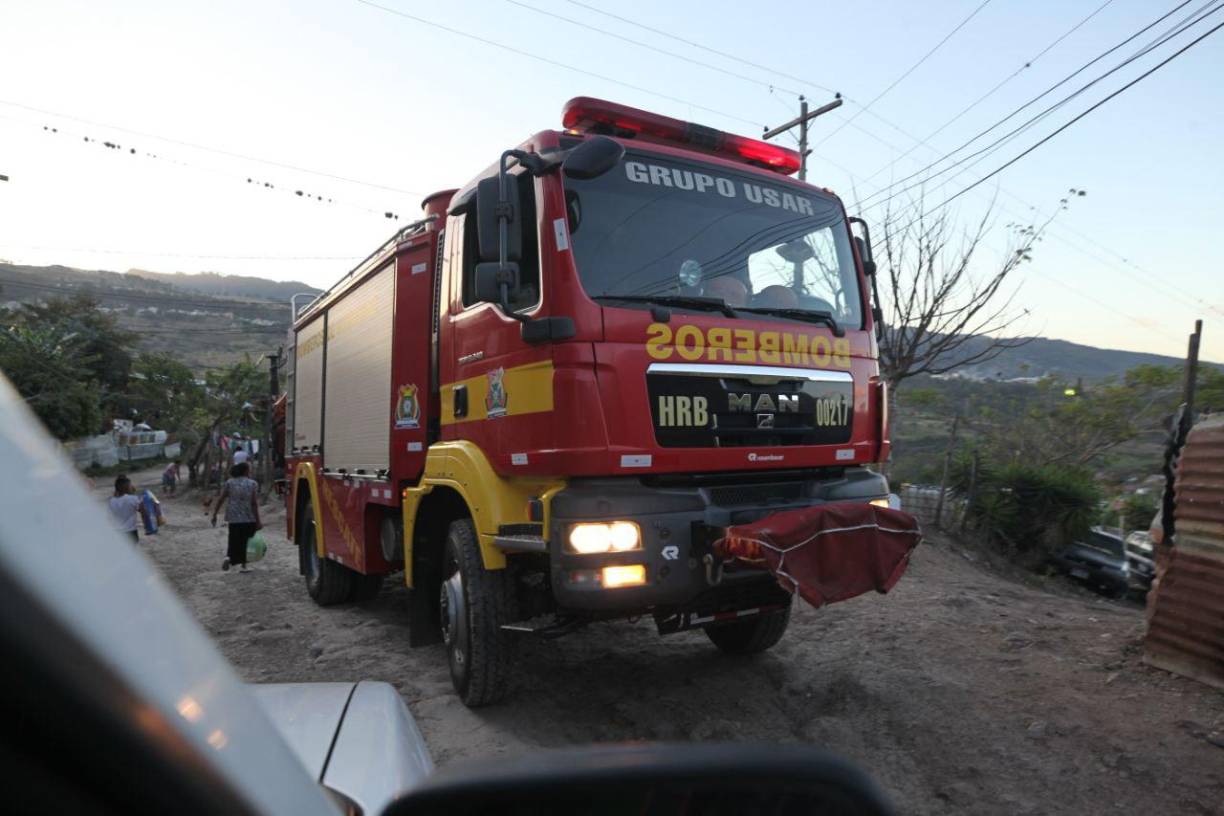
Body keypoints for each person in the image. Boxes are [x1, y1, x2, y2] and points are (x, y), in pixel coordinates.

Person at [210, 461, 261, 572]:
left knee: (233, 539)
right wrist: (258, 520)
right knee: (247, 541)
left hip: (233, 517)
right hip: (248, 516)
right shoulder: (252, 484)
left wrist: (215, 514)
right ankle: (244, 565)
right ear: (246, 471)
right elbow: (254, 503)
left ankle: (228, 557)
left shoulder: (229, 483)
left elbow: (221, 499)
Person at [108, 475, 149, 544]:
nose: (132, 487)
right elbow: (144, 512)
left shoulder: (111, 501)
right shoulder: (133, 499)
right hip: (130, 532)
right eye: (130, 485)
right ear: (126, 488)